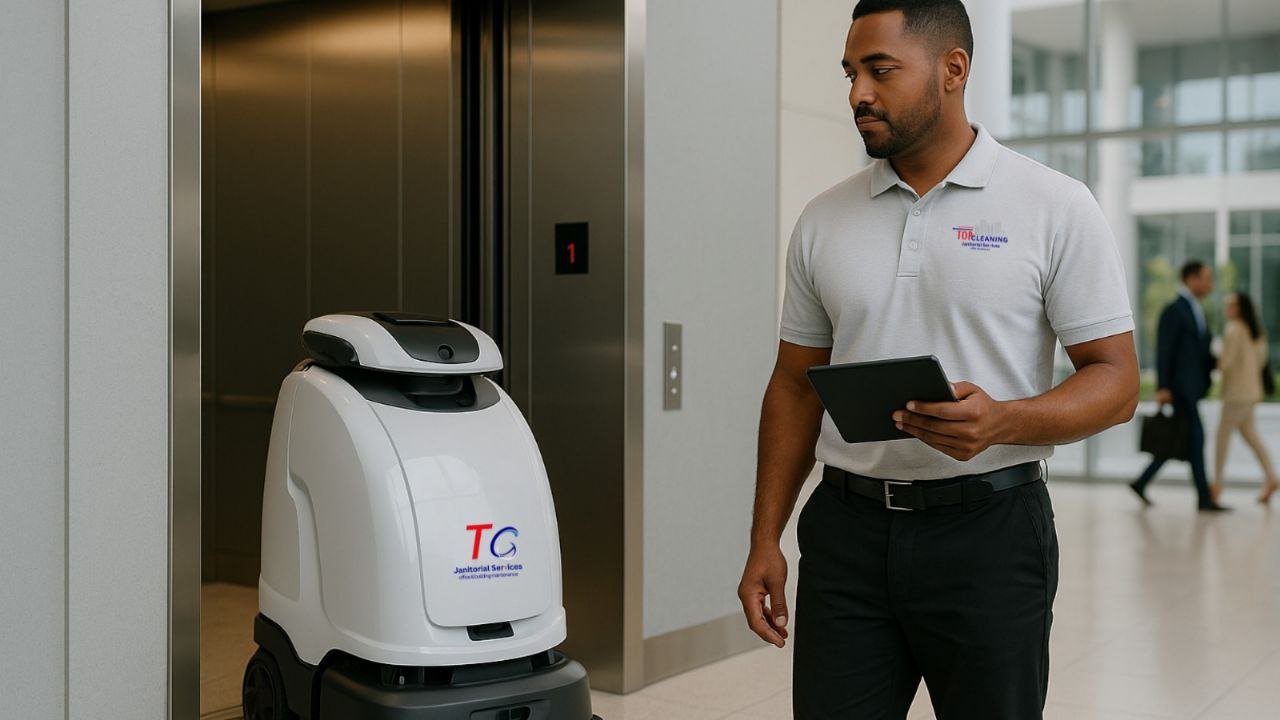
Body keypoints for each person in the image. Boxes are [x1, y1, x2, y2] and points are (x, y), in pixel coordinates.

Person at [735, 1, 1139, 718]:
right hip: (847, 533)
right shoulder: (824, 218)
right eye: (851, 73)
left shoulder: (1054, 205)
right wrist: (766, 536)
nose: (858, 94)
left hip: (991, 533)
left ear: (954, 70)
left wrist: (1003, 420)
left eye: (881, 70)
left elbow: (1116, 381)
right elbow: (795, 386)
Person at [1129, 261, 1229, 511]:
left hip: (1193, 388)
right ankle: (1204, 499)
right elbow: (1165, 350)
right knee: (1195, 438)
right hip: (1180, 388)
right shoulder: (1174, 310)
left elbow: (1199, 351)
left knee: (1185, 440)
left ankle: (1142, 482)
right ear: (1191, 279)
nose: (1210, 284)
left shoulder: (1198, 310)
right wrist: (1163, 386)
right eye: (1206, 278)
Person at [1212, 292, 1277, 505]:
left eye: (1230, 305)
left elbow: (1226, 363)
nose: (1227, 309)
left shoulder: (1234, 329)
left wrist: (1216, 353)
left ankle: (1216, 485)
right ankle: (1271, 477)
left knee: (1222, 438)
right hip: (1251, 392)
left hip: (1236, 395)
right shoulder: (1256, 331)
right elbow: (1261, 361)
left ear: (1239, 308)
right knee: (1251, 436)